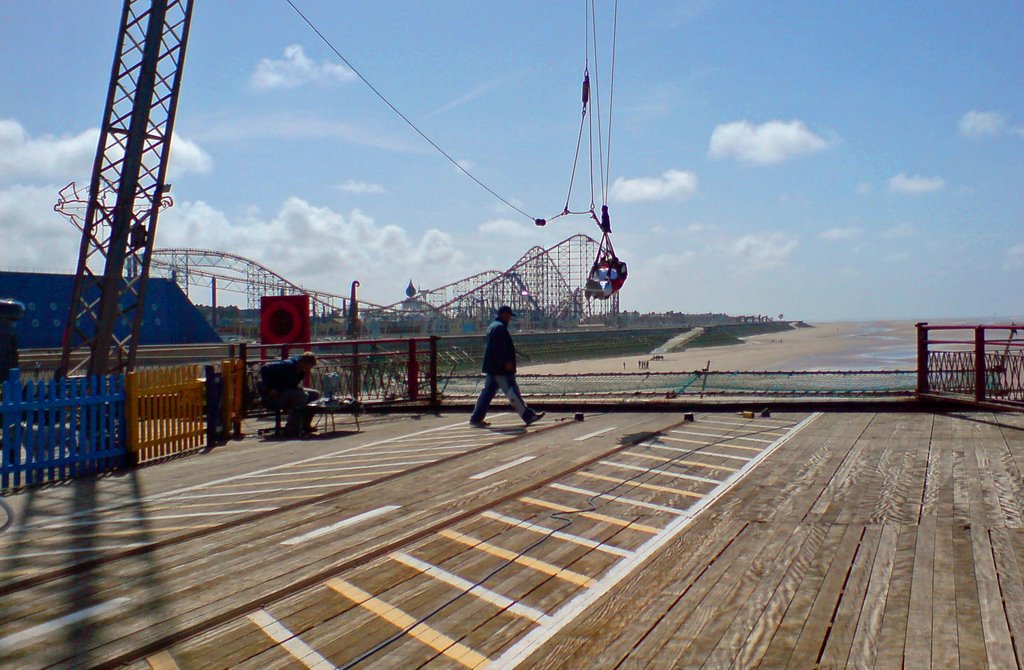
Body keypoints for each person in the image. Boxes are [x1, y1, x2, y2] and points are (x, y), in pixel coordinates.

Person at [470, 306, 544, 428]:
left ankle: (476, 418)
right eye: (509, 316)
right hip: (500, 368)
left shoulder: (493, 326)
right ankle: (527, 416)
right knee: (512, 391)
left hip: (492, 367)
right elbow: (500, 348)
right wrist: (506, 362)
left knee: (487, 392)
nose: (510, 319)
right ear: (504, 314)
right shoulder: (499, 328)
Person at [259, 351, 320, 437]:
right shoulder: (287, 365)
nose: (309, 369)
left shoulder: (301, 370)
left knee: (314, 394)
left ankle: (304, 425)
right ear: (303, 363)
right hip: (274, 395)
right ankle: (291, 430)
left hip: (287, 391)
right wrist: (271, 388)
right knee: (302, 395)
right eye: (308, 367)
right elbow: (264, 369)